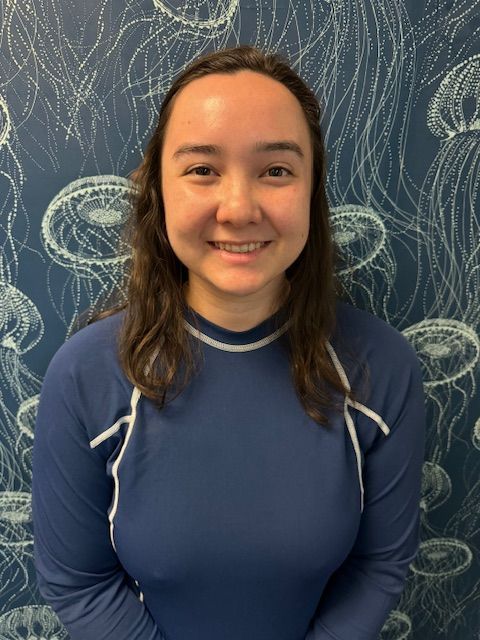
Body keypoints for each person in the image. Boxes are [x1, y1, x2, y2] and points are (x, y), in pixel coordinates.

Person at [32, 45, 426, 640]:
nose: (239, 209)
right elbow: (77, 582)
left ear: (312, 194)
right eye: (201, 169)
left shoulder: (383, 369)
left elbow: (379, 565)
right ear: (158, 191)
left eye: (275, 170)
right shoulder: (84, 375)